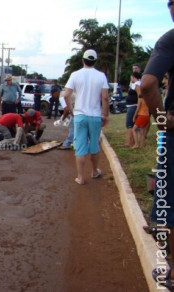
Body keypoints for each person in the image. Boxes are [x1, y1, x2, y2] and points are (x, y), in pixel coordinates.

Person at [139, 1, 174, 288]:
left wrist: (162, 119)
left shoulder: (170, 39)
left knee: (169, 200)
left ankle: (172, 273)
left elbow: (147, 84)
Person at [64, 49, 109, 185]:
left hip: (80, 116)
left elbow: (66, 95)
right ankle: (94, 171)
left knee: (80, 147)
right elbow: (105, 98)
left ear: (83, 60)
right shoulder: (101, 76)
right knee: (94, 146)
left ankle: (80, 177)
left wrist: (71, 110)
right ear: (95, 61)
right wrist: (105, 115)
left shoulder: (75, 75)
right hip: (95, 116)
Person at [130, 72, 149, 149]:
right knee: (142, 132)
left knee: (134, 130)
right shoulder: (147, 98)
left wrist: (134, 116)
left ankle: (136, 144)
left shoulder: (140, 98)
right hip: (147, 116)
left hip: (141, 115)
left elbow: (138, 108)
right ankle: (142, 145)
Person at [125, 72, 141, 147]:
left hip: (133, 106)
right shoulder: (135, 84)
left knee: (129, 124)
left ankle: (129, 142)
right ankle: (131, 141)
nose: (130, 79)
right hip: (132, 105)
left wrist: (138, 106)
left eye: (131, 77)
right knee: (131, 124)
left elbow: (139, 96)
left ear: (133, 77)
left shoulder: (137, 84)